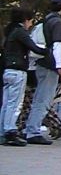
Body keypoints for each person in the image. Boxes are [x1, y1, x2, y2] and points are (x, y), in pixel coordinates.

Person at [25, 0, 61, 145]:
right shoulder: (57, 22)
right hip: (50, 64)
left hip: (41, 63)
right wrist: (60, 66)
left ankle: (30, 128)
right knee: (44, 99)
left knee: (38, 97)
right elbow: (57, 45)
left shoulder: (45, 21)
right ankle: (33, 131)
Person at [0, 8, 46, 146]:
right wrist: (49, 51)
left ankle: (3, 131)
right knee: (15, 104)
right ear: (25, 20)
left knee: (6, 103)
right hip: (18, 71)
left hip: (8, 71)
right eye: (30, 21)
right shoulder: (20, 32)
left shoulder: (10, 32)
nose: (31, 24)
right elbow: (34, 48)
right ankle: (10, 131)